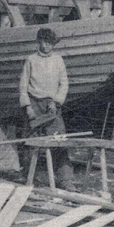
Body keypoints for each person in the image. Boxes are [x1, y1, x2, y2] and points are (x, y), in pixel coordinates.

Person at [20, 26, 73, 189]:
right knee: (31, 142)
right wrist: (27, 106)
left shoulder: (58, 60)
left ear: (53, 44)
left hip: (52, 105)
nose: (46, 45)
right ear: (39, 42)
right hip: (34, 103)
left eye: (50, 42)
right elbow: (23, 85)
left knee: (59, 140)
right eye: (44, 42)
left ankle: (66, 180)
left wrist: (56, 102)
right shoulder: (30, 60)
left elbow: (64, 83)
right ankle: (30, 179)